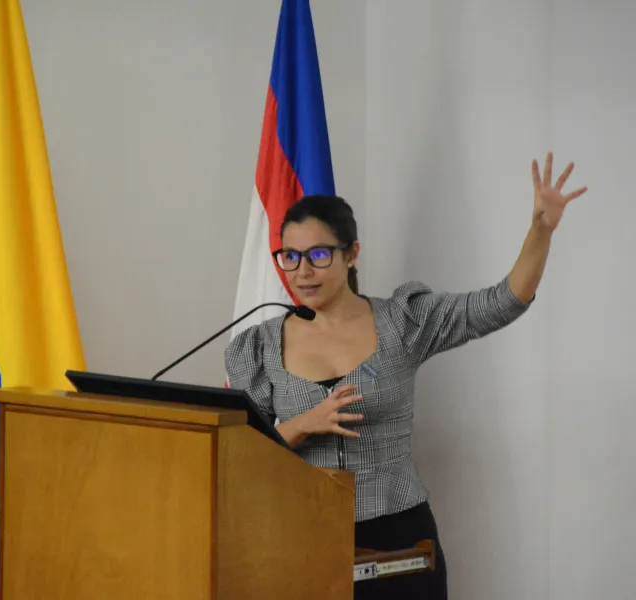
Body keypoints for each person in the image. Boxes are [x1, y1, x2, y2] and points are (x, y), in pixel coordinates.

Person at [223, 153, 587, 599]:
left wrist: (541, 230)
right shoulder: (260, 345)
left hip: (398, 535)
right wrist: (303, 424)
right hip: (303, 530)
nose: (303, 271)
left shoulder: (404, 321)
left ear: (351, 253)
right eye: (290, 256)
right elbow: (244, 456)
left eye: (318, 254)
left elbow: (501, 303)